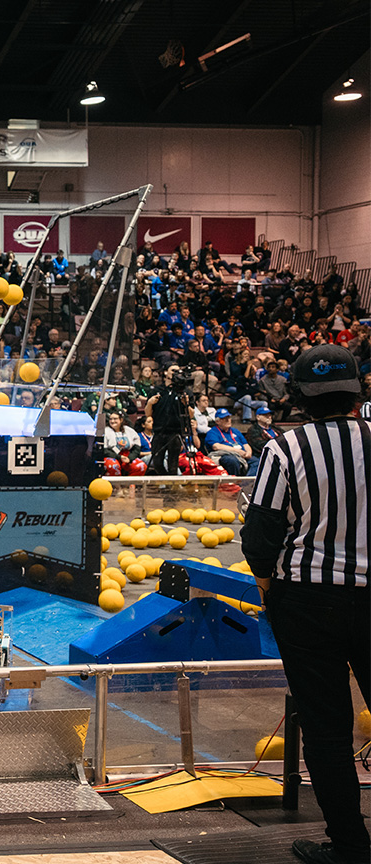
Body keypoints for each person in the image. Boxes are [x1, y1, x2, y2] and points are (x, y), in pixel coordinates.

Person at [241, 345, 369, 864]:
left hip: (307, 601)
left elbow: (261, 534)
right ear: (357, 392)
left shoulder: (285, 450)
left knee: (327, 727)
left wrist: (270, 587)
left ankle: (350, 846)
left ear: (299, 398)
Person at [203, 409, 255, 476]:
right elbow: (216, 446)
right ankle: (234, 483)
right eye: (224, 418)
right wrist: (236, 451)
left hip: (242, 455)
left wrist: (249, 453)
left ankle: (247, 483)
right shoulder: (213, 432)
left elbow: (245, 444)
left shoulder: (235, 431)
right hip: (225, 455)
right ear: (217, 421)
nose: (228, 420)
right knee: (232, 460)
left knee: (256, 462)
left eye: (229, 418)